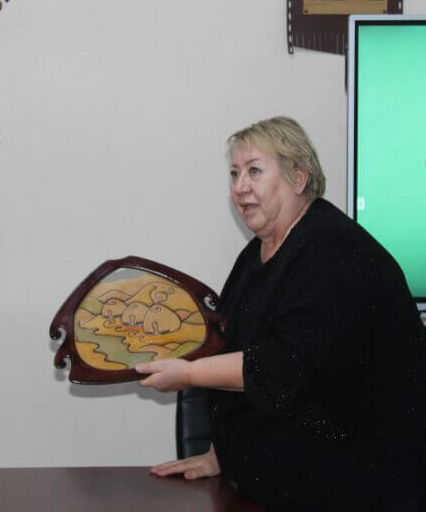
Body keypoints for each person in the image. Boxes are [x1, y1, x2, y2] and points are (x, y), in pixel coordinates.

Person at [136, 117, 425, 511]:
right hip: (283, 478)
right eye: (234, 173)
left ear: (297, 178)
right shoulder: (259, 250)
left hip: (363, 483)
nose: (240, 186)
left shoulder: (336, 252)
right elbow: (234, 342)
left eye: (254, 171)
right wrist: (223, 454)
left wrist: (187, 374)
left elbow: (280, 367)